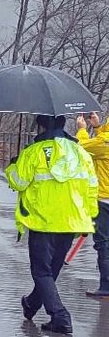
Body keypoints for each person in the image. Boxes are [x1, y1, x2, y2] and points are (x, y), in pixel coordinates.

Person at [5, 114, 99, 334]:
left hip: (43, 220)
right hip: (71, 221)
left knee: (41, 271)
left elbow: (18, 182)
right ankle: (32, 304)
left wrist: (13, 165)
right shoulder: (80, 153)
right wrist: (89, 217)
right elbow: (91, 187)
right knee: (51, 270)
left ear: (40, 125)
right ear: (62, 124)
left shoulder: (33, 152)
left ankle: (60, 316)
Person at [75, 112, 109, 297]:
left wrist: (83, 130)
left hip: (104, 198)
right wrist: (97, 128)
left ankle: (106, 285)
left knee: (103, 243)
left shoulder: (104, 142)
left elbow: (82, 148)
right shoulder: (104, 139)